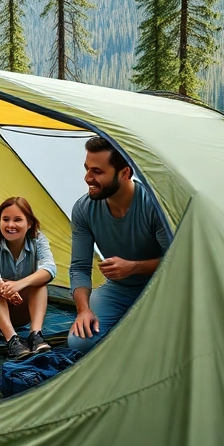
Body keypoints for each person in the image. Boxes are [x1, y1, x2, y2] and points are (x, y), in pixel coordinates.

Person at [66, 136, 171, 353]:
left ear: (124, 173)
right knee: (80, 342)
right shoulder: (84, 209)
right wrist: (83, 310)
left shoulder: (153, 205)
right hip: (119, 290)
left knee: (159, 345)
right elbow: (79, 267)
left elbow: (178, 261)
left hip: (163, 288)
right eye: (87, 169)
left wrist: (134, 267)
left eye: (97, 171)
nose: (87, 178)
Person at [0, 196, 57, 360]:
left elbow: (50, 268)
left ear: (29, 223)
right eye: (5, 219)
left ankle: (36, 335)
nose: (10, 225)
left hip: (19, 308)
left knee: (40, 281)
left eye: (17, 220)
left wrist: (19, 285)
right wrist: (7, 288)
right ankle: (12, 340)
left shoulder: (38, 239)